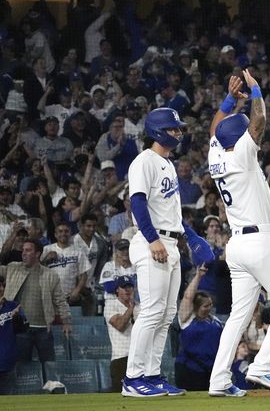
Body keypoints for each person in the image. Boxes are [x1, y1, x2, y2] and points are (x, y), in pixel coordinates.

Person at [207, 72, 270, 397]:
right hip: (260, 240)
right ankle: (263, 366)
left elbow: (214, 129)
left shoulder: (217, 156)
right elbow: (260, 118)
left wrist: (229, 100)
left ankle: (219, 380)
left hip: (236, 244)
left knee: (238, 316)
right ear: (242, 137)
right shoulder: (242, 155)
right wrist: (256, 89)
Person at [122, 106, 199, 397]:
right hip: (150, 242)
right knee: (152, 312)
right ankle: (132, 378)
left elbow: (171, 212)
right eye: (173, 129)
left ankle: (152, 375)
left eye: (179, 129)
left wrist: (190, 236)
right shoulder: (145, 160)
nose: (178, 133)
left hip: (171, 243)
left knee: (167, 314)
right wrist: (152, 238)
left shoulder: (167, 163)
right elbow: (138, 203)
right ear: (157, 130)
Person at [0, 238, 72, 365]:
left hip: (43, 329)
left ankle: (52, 385)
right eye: (23, 250)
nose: (23, 253)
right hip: (20, 329)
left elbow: (60, 300)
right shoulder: (13, 268)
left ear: (38, 254)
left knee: (49, 365)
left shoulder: (50, 275)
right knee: (22, 368)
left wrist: (66, 321)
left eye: (28, 250)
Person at [175, 266, 223, 390]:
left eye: (211, 305)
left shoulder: (216, 321)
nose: (209, 308)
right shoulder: (187, 320)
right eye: (205, 306)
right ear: (196, 307)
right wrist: (198, 276)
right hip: (190, 370)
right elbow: (187, 297)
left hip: (211, 370)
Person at [105, 276, 138, 392]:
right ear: (117, 290)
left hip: (138, 358)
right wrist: (131, 308)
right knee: (120, 395)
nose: (127, 290)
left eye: (130, 286)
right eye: (124, 287)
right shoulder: (111, 305)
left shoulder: (140, 308)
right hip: (121, 358)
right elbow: (120, 325)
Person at [0, 274, 28, 395]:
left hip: (7, 360)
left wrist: (16, 318)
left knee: (7, 401)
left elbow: (22, 329)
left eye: (0, 285)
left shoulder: (13, 306)